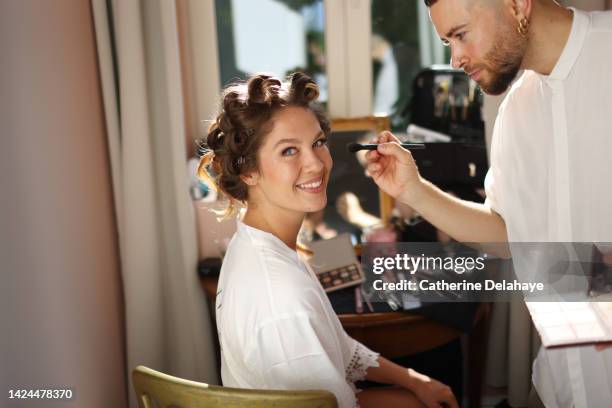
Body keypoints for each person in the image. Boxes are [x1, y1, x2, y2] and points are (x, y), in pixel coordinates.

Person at [366, 1, 612, 407]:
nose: (455, 58)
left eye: (460, 34)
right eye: (447, 41)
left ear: (517, 4)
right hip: (561, 385)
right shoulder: (517, 110)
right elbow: (507, 235)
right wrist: (413, 190)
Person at [198, 73, 458, 408]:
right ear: (248, 170)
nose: (316, 164)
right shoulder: (281, 296)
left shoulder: (258, 241)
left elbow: (342, 348)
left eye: (318, 142)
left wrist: (412, 379)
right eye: (289, 150)